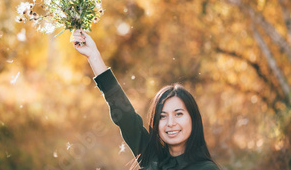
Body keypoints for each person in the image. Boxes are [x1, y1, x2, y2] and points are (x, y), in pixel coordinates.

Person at [72, 29, 219, 170]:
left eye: (178, 114)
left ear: (193, 118)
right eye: (162, 116)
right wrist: (93, 55)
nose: (171, 123)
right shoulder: (151, 156)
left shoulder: (205, 168)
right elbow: (125, 116)